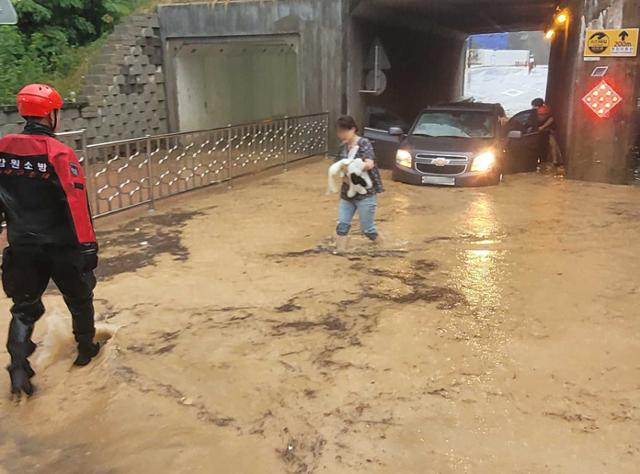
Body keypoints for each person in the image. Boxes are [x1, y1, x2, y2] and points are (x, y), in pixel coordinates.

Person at [0, 84, 100, 397]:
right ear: (52, 115)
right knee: (79, 298)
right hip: (61, 245)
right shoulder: (59, 153)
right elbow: (77, 203)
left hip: (22, 245)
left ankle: (18, 370)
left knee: (23, 308)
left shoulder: (2, 149)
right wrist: (88, 247)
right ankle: (86, 351)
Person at [334, 115, 384, 253]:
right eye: (339, 132)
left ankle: (383, 247)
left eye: (344, 131)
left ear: (353, 129)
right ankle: (340, 253)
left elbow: (370, 163)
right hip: (347, 193)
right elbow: (337, 167)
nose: (342, 135)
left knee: (368, 230)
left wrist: (355, 167)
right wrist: (343, 172)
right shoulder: (342, 148)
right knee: (342, 225)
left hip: (365, 194)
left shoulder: (364, 143)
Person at [531, 98, 563, 168]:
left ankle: (556, 161)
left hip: (548, 130)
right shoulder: (545, 109)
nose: (532, 107)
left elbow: (550, 119)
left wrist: (542, 127)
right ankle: (557, 161)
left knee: (553, 144)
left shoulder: (541, 111)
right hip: (548, 129)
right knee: (553, 145)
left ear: (537, 106)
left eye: (533, 106)